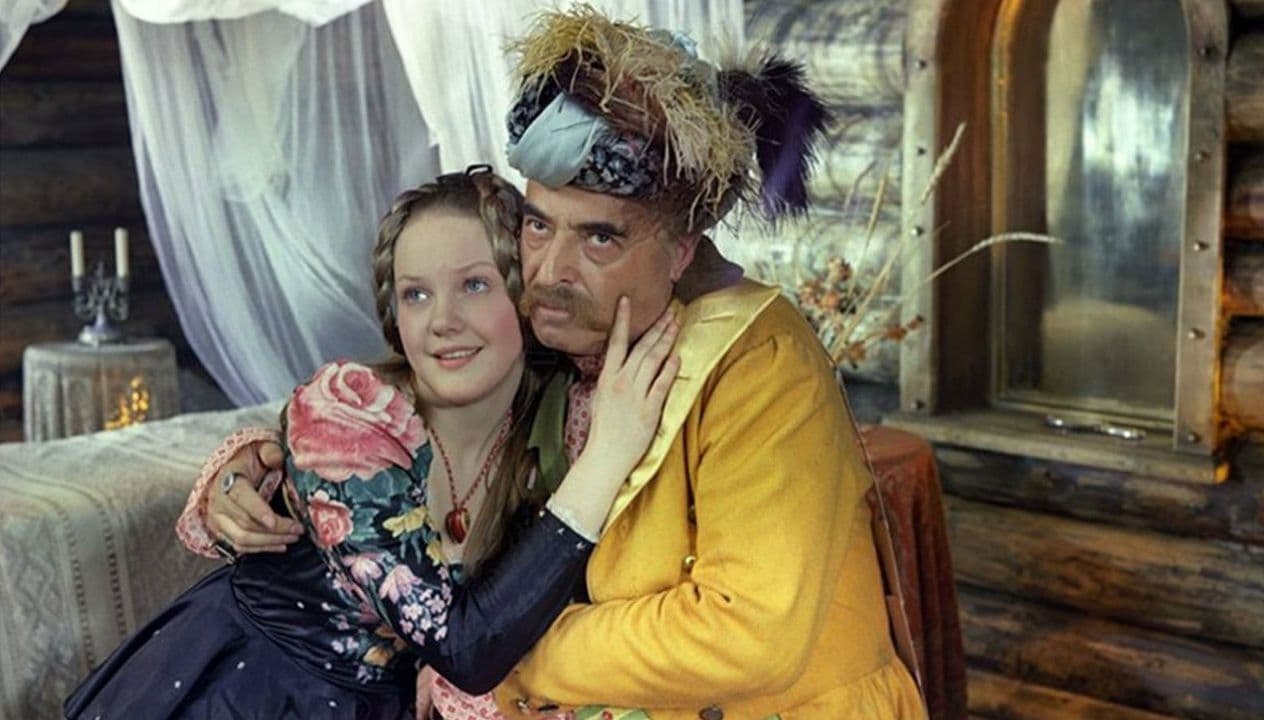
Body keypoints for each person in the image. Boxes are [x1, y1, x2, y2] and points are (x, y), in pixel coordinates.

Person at [201, 8, 928, 719]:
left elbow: (746, 631)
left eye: (600, 238)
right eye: (538, 224)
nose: (550, 269)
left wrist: (503, 654)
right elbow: (406, 404)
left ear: (681, 249)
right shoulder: (553, 323)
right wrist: (261, 466)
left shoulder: (757, 364)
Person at [64, 166, 680, 719]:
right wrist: (606, 460)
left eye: (474, 285)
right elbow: (464, 647)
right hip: (244, 693)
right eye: (416, 294)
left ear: (526, 296)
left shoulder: (547, 422)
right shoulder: (346, 417)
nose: (442, 321)